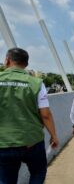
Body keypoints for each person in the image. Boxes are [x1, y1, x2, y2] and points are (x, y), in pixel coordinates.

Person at [0, 48, 59, 184]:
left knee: (5, 180)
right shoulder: (37, 83)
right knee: (38, 172)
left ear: (7, 60)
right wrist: (54, 136)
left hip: (3, 142)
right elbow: (45, 114)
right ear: (26, 64)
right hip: (31, 141)